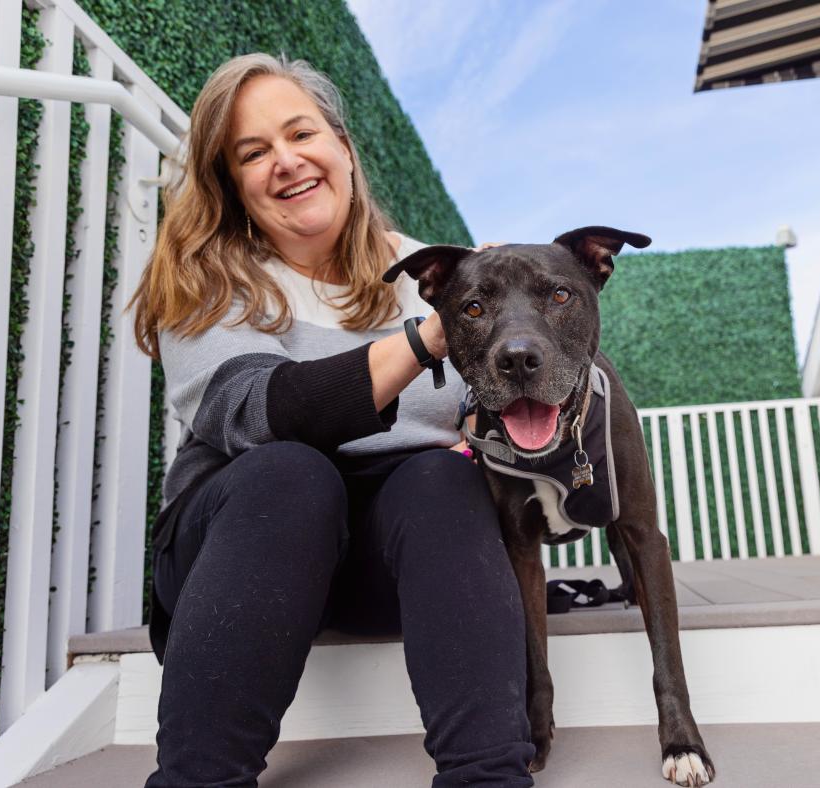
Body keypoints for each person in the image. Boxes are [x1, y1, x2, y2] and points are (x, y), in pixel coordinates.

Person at [129, 53, 535, 787]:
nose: (285, 161)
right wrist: (428, 338)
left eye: (300, 134)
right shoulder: (206, 279)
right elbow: (261, 413)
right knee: (292, 472)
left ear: (343, 149)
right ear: (234, 187)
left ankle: (489, 777)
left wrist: (517, 326)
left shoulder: (431, 272)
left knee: (441, 478)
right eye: (253, 153)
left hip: (384, 559)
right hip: (240, 548)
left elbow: (504, 420)